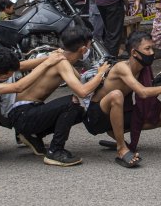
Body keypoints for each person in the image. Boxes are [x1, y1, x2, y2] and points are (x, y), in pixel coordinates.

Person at [11, 27, 111, 167]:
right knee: (72, 103)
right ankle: (55, 151)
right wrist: (101, 73)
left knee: (79, 112)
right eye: (89, 46)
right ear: (83, 49)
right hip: (24, 115)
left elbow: (78, 78)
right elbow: (82, 92)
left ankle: (33, 136)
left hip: (25, 113)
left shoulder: (58, 57)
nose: (89, 50)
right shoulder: (60, 62)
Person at [83, 31, 161, 168]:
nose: (152, 53)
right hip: (96, 116)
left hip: (116, 114)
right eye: (147, 49)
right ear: (134, 52)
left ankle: (115, 133)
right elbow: (142, 92)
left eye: (152, 48)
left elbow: (146, 91)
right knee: (116, 95)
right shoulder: (122, 67)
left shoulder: (142, 68)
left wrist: (156, 83)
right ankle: (121, 148)